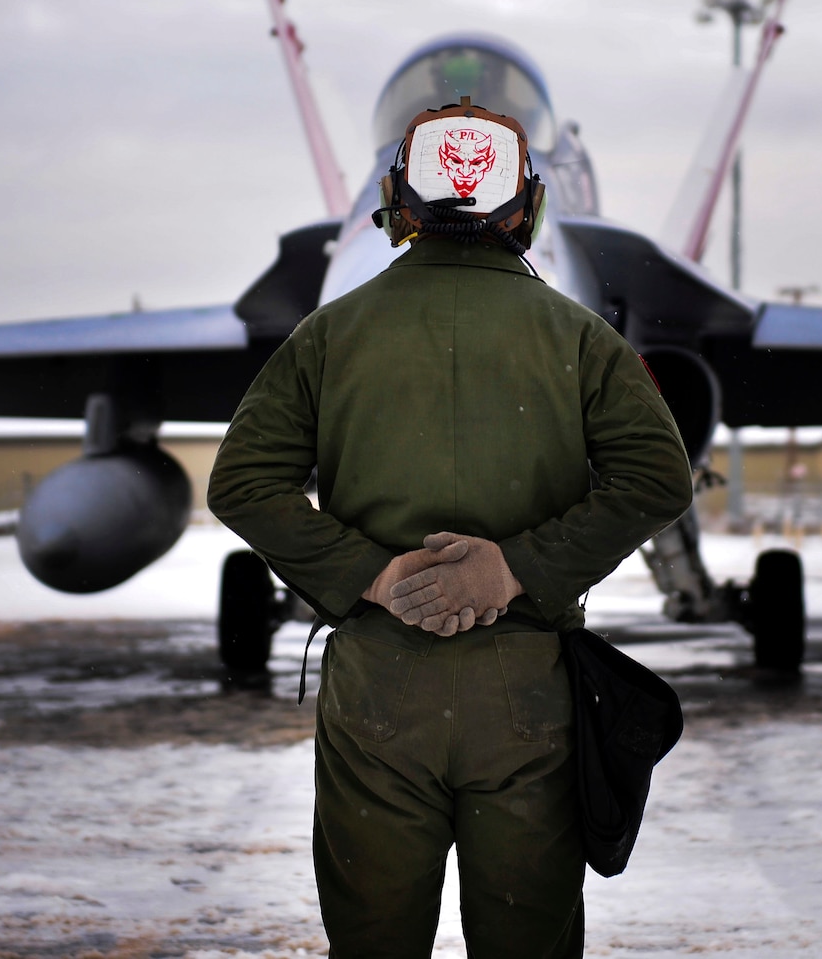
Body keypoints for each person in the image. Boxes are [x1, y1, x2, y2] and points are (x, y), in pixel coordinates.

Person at [208, 97, 695, 959]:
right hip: (529, 692)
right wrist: (512, 571)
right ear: (528, 208)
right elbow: (658, 476)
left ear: (398, 202)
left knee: (374, 942)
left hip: (377, 690)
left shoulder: (329, 335)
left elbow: (243, 481)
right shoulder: (583, 339)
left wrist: (377, 575)